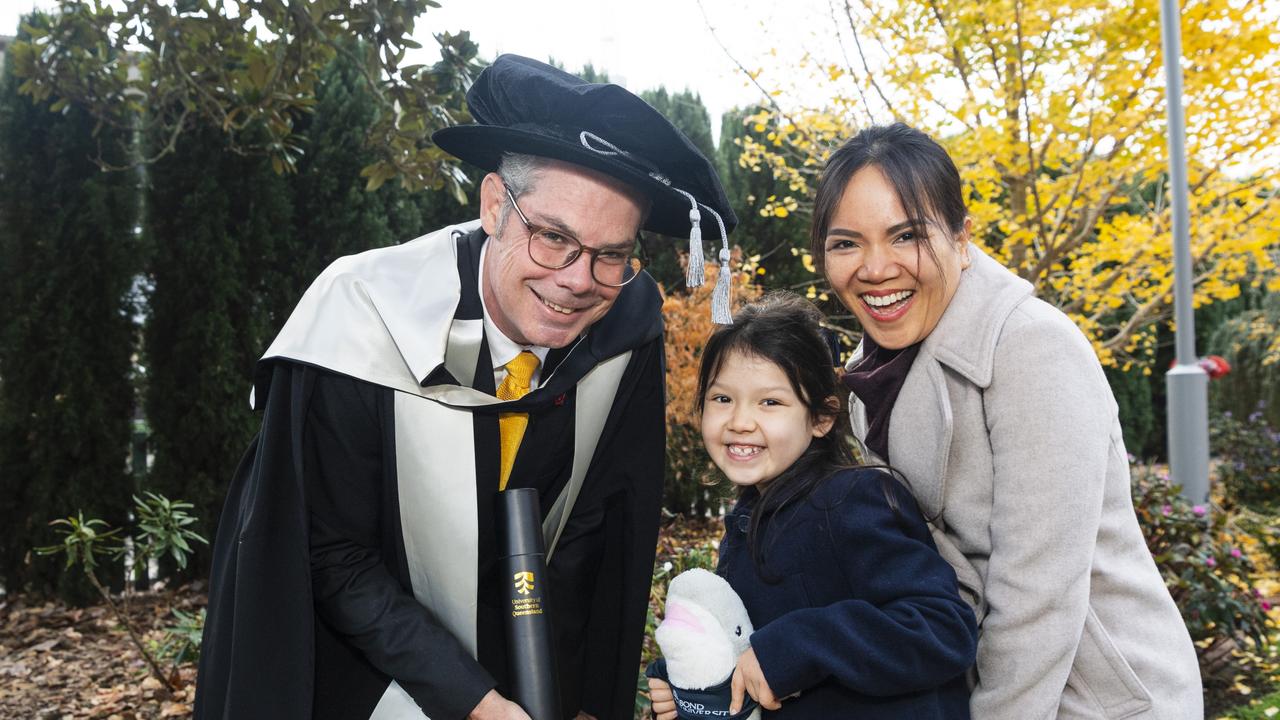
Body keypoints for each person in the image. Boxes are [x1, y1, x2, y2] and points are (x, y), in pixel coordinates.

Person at [193, 55, 737, 720]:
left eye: (612, 253)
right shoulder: (364, 317)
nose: (576, 278)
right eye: (552, 237)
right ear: (492, 206)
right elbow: (333, 554)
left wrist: (585, 699)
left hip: (533, 662)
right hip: (368, 665)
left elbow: (605, 534)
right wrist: (473, 702)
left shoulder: (628, 326)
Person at [814, 123, 1203, 718]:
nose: (875, 268)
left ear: (962, 238)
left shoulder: (1031, 348)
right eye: (846, 244)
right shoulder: (869, 372)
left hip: (1090, 698)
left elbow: (1038, 597)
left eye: (906, 236)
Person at [648, 293, 978, 719]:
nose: (740, 421)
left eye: (770, 402)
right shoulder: (747, 521)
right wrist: (690, 686)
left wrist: (800, 645)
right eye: (722, 399)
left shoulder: (853, 501)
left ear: (821, 417)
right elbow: (749, 650)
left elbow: (942, 629)